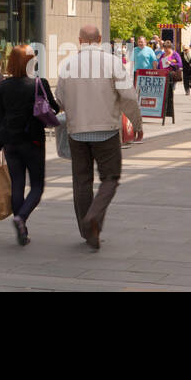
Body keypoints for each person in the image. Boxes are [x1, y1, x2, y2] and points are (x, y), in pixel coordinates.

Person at [56, 26, 143, 251]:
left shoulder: (68, 66)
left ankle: (88, 231)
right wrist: (137, 123)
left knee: (81, 181)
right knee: (110, 178)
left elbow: (60, 99)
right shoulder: (113, 63)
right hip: (107, 130)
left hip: (77, 132)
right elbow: (129, 97)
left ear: (80, 40)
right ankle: (94, 217)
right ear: (100, 40)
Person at [0, 44, 59, 246]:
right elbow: (54, 108)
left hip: (10, 143)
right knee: (37, 185)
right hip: (33, 140)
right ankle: (21, 218)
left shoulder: (4, 86)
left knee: (18, 184)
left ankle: (22, 230)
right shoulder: (39, 83)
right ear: (30, 62)